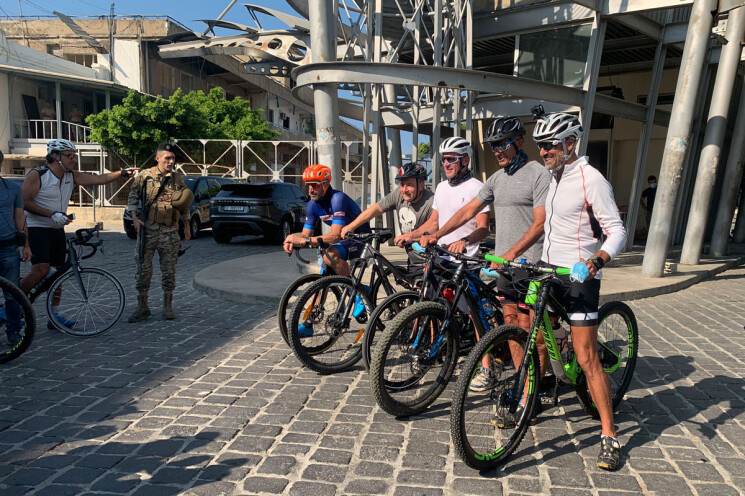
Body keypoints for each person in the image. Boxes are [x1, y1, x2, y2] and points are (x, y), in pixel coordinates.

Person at [419, 117, 551, 393]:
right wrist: (437, 234)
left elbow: (540, 223)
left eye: (502, 144)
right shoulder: (496, 179)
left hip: (532, 264)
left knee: (532, 331)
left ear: (519, 142)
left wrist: (511, 252)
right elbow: (468, 211)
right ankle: (523, 383)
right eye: (493, 146)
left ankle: (536, 387)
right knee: (510, 323)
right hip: (505, 266)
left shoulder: (538, 174)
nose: (497, 151)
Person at [533, 112, 627, 471]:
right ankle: (530, 399)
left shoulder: (592, 179)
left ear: (570, 143)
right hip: (549, 271)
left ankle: (609, 435)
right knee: (538, 338)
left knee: (587, 358)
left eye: (549, 145)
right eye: (540, 146)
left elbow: (617, 231)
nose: (543, 151)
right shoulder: (553, 177)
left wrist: (595, 261)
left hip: (579, 276)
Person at [20, 139, 136, 327]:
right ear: (55, 156)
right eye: (69, 156)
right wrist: (51, 214)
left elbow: (99, 179)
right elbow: (24, 201)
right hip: (37, 227)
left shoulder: (70, 175)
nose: (73, 160)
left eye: (74, 156)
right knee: (41, 269)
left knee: (58, 274)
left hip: (57, 229)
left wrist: (122, 173)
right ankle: (13, 304)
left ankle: (54, 315)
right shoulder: (38, 174)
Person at [127, 142, 191, 323]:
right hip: (148, 230)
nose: (171, 162)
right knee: (143, 269)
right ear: (157, 158)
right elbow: (132, 197)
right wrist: (134, 218)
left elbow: (184, 205)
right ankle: (142, 307)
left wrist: (186, 226)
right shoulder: (145, 176)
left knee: (169, 270)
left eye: (173, 158)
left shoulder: (177, 178)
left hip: (170, 231)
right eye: (167, 158)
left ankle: (167, 306)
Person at [394, 137, 489, 256]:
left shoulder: (476, 187)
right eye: (444, 160)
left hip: (464, 258)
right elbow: (434, 223)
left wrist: (464, 242)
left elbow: (483, 228)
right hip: (441, 255)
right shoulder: (441, 187)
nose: (446, 164)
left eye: (451, 159)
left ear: (465, 161)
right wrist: (410, 236)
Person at [283, 163, 371, 278]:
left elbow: (335, 236)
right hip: (345, 240)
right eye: (308, 185)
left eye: (314, 185)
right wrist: (291, 238)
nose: (310, 190)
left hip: (361, 239)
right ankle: (331, 286)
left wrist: (304, 241)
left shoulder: (337, 199)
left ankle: (352, 287)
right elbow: (305, 235)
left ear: (325, 184)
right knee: (323, 271)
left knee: (330, 254)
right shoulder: (312, 205)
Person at [340, 162, 434, 259]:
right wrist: (351, 226)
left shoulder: (432, 201)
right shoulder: (398, 195)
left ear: (421, 185)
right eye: (402, 185)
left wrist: (410, 236)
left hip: (431, 258)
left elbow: (433, 224)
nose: (404, 190)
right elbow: (375, 209)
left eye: (409, 185)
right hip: (413, 257)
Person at [0, 150, 32, 346]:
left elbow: (20, 217)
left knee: (12, 294)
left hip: (8, 247)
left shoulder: (12, 188)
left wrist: (26, 244)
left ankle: (13, 330)